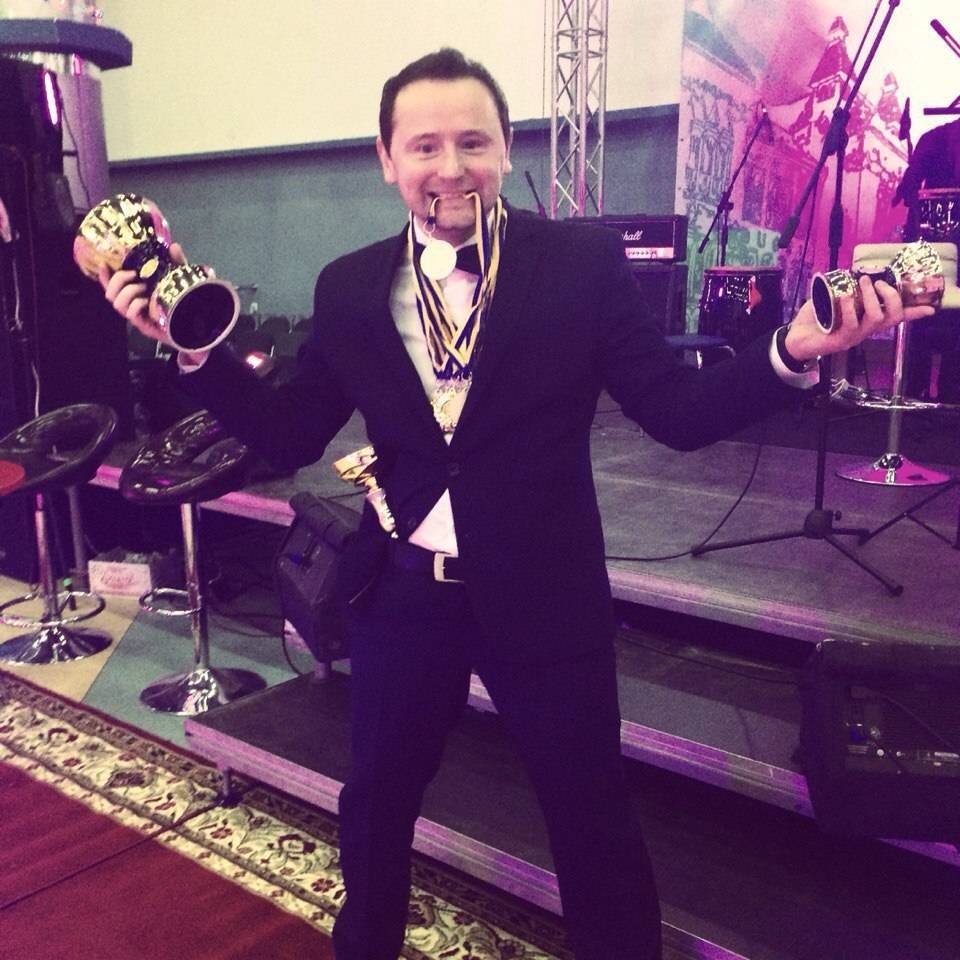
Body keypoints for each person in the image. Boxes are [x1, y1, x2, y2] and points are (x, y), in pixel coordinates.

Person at [100, 48, 933, 960]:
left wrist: (790, 350)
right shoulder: (348, 286)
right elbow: (292, 433)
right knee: (375, 806)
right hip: (403, 594)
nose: (450, 167)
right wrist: (194, 352)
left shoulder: (580, 264)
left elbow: (678, 413)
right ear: (386, 159)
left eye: (473, 142)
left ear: (504, 149)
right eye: (424, 145)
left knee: (591, 819)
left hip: (546, 597)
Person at [893, 116, 960, 402]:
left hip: (928, 245)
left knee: (919, 317)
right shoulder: (935, 139)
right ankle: (949, 394)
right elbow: (909, 192)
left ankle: (913, 391)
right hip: (932, 245)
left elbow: (908, 192)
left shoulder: (933, 138)